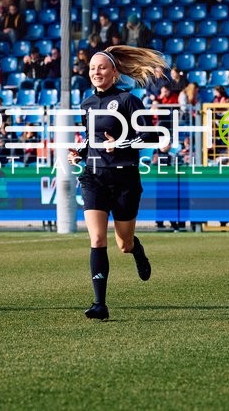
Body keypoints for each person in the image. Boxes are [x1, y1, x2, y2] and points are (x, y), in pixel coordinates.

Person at [67, 46, 167, 320]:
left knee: (123, 244)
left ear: (114, 72)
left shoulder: (128, 101)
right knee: (97, 238)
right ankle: (100, 304)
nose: (96, 72)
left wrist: (120, 145)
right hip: (93, 177)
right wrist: (81, 152)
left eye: (101, 67)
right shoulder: (86, 104)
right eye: (92, 69)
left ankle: (138, 250)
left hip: (124, 179)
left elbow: (148, 138)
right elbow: (91, 140)